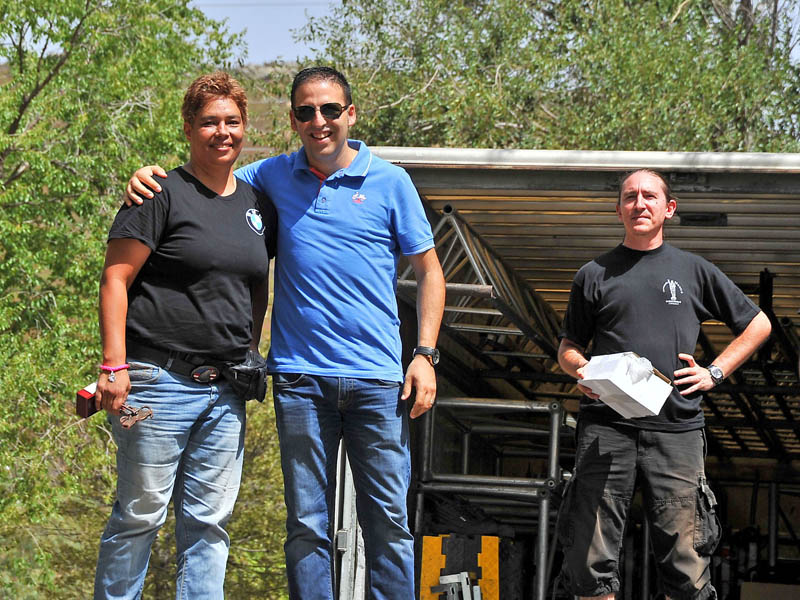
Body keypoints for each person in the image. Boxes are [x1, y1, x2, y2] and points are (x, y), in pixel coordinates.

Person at [125, 66, 446, 600]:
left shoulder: (392, 182)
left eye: (330, 110)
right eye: (305, 111)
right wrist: (147, 178)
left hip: (378, 381)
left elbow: (430, 272)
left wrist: (425, 355)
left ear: (350, 115)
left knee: (388, 524)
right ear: (293, 120)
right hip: (300, 382)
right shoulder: (267, 178)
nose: (319, 121)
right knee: (306, 526)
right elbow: (208, 177)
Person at [94, 72, 276, 599]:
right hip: (157, 384)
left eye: (232, 121)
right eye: (209, 122)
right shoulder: (157, 194)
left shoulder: (257, 204)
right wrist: (113, 366)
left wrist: (251, 350)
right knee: (139, 516)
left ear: (245, 126)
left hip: (227, 391)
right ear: (188, 128)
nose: (223, 132)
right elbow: (114, 280)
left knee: (209, 524)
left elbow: (255, 286)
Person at [556, 169, 772, 600]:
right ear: (618, 209)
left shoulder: (693, 270)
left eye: (650, 196)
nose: (639, 203)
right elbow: (568, 347)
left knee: (686, 565)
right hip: (606, 428)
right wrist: (582, 370)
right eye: (630, 197)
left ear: (669, 209)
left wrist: (714, 372)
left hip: (676, 429)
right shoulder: (593, 274)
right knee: (589, 561)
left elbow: (759, 324)